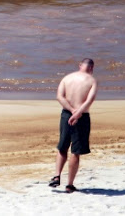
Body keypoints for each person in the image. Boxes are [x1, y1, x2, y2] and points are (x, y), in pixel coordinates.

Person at [48, 58, 98, 193]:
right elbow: (90, 100)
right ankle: (69, 185)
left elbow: (59, 97)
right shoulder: (92, 80)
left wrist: (71, 111)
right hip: (81, 117)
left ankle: (57, 176)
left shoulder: (67, 78)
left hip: (66, 114)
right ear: (92, 68)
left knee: (62, 147)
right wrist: (78, 113)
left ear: (80, 65)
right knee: (75, 152)